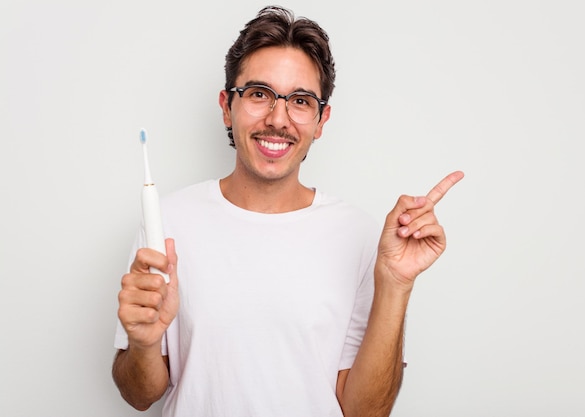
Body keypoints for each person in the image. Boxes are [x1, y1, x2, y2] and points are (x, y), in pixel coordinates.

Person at [112, 5, 463, 417]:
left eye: (300, 100)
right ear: (227, 106)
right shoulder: (168, 222)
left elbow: (365, 411)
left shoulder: (363, 237)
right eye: (259, 94)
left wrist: (396, 285)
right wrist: (142, 343)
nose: (278, 119)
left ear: (321, 119)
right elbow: (140, 395)